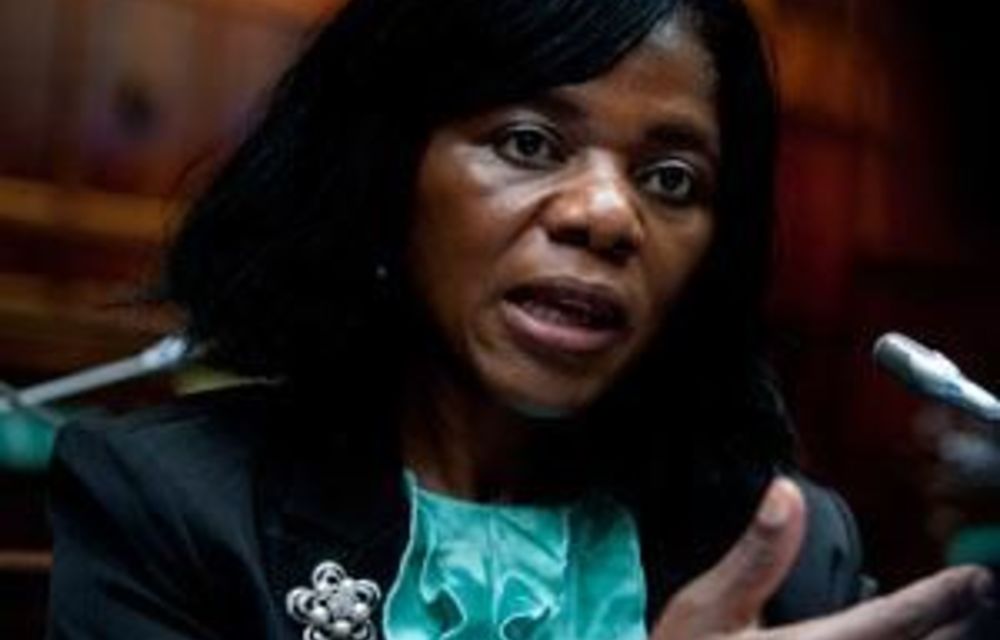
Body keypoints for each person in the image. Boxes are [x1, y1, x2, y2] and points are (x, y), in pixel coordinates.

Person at [47, 0, 995, 638]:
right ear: (387, 174)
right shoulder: (169, 505)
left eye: (672, 179)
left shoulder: (783, 548)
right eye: (529, 143)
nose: (609, 216)